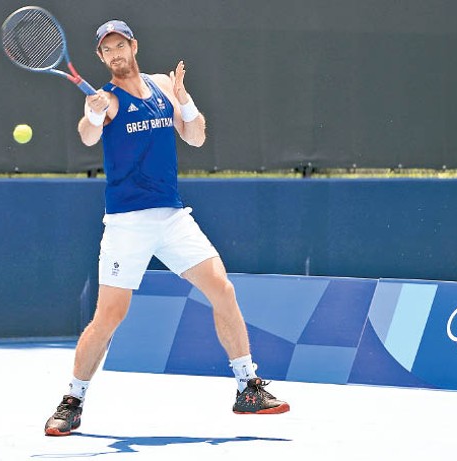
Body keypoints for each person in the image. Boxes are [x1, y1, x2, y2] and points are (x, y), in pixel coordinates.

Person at [44, 19, 289, 436]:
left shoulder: (161, 85)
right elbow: (87, 137)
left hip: (172, 217)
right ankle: (73, 400)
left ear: (134, 46)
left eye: (121, 44)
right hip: (127, 223)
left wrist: (186, 101)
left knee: (222, 289)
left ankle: (247, 387)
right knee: (109, 315)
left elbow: (194, 136)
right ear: (101, 57)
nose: (116, 53)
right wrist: (91, 113)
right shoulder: (108, 99)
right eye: (108, 49)